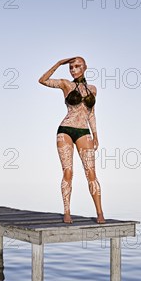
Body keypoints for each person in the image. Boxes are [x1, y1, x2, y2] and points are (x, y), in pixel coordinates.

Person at [39, 57, 105, 224]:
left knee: (91, 173)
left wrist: (96, 134)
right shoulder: (65, 84)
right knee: (68, 172)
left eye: (77, 66)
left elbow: (91, 113)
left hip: (84, 131)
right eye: (71, 67)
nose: (73, 69)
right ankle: (67, 211)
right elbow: (42, 80)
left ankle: (100, 212)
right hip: (65, 130)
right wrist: (59, 63)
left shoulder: (93, 89)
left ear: (85, 67)